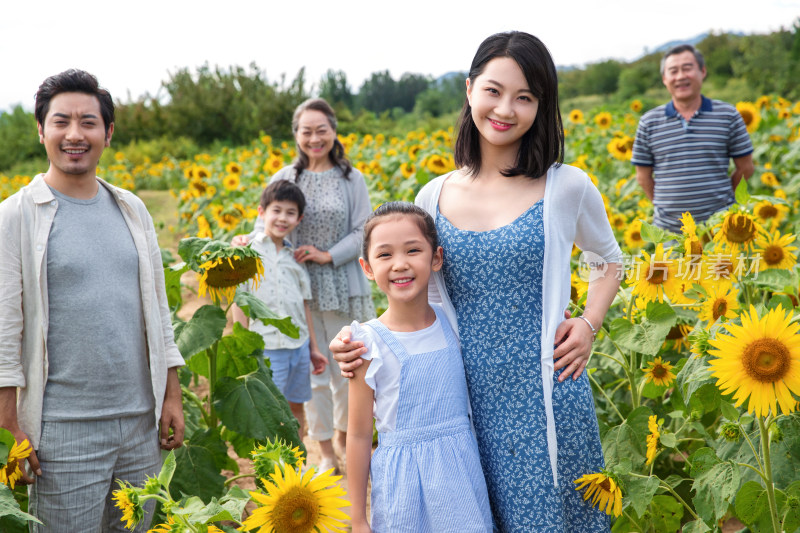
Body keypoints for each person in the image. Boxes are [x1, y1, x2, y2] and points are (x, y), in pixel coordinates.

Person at [331, 32, 623, 532]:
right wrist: (359, 339)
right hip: (460, 403)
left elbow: (609, 260)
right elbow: (414, 293)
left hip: (548, 396)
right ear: (469, 90)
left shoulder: (565, 185)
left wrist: (590, 323)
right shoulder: (432, 195)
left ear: (541, 106)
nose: (505, 108)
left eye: (525, 97)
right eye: (493, 90)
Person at [0, 69, 184, 532]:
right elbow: (4, 326)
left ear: (108, 133)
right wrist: (10, 427)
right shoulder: (16, 216)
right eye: (61, 122)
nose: (74, 134)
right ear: (41, 130)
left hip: (140, 424)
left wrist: (172, 395)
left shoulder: (131, 208)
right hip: (62, 430)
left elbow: (158, 311)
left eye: (88, 122)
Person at [235, 98, 375, 473]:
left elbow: (365, 230)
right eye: (306, 131)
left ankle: (348, 437)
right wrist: (245, 242)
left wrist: (328, 255)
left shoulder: (352, 179)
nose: (314, 138)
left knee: (350, 368)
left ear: (333, 131)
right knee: (314, 372)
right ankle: (326, 449)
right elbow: (265, 218)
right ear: (296, 135)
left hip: (343, 282)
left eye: (321, 130)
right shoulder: (285, 177)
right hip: (295, 289)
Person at [347, 202, 492, 533]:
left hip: (462, 476)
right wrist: (357, 519)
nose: (400, 264)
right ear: (367, 267)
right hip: (404, 486)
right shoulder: (366, 343)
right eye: (384, 255)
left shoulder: (452, 321)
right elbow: (357, 435)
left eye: (413, 250)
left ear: (436, 257)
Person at [232, 180, 328, 442]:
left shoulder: (294, 259)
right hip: (267, 347)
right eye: (277, 210)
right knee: (270, 411)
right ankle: (273, 468)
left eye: (290, 212)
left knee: (296, 407)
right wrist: (243, 343)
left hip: (298, 345)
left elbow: (303, 306)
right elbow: (239, 299)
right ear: (262, 212)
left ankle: (294, 462)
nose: (282, 218)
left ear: (299, 219)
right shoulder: (246, 251)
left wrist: (314, 349)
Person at [631, 43, 755, 233]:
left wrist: (725, 200)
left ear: (702, 71)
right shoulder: (649, 122)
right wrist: (667, 206)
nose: (680, 76)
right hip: (669, 234)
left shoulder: (728, 115)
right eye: (673, 71)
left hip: (721, 229)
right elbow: (643, 176)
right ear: (665, 78)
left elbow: (745, 167)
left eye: (687, 68)